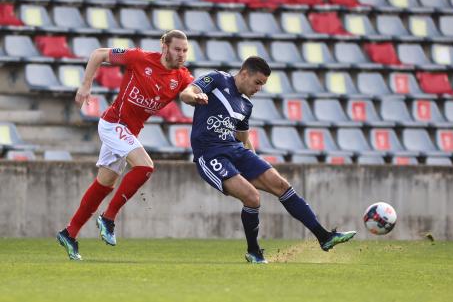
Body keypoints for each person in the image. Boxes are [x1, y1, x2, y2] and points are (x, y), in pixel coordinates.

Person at [180, 56, 356, 264]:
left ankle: (324, 237)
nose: (259, 89)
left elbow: (243, 140)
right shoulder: (218, 79)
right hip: (209, 154)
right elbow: (186, 93)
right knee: (252, 198)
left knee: (281, 185)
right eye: (258, 83)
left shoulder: (245, 105)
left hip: (236, 150)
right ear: (245, 73)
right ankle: (254, 252)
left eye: (262, 85)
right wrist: (196, 98)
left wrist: (255, 163)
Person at [57, 30, 198, 260]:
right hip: (113, 124)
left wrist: (199, 98)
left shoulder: (181, 76)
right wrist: (85, 85)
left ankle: (69, 233)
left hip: (127, 131)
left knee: (104, 184)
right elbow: (98, 54)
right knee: (145, 167)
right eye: (177, 49)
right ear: (165, 47)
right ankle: (108, 217)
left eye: (185, 50)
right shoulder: (140, 58)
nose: (181, 54)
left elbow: (191, 91)